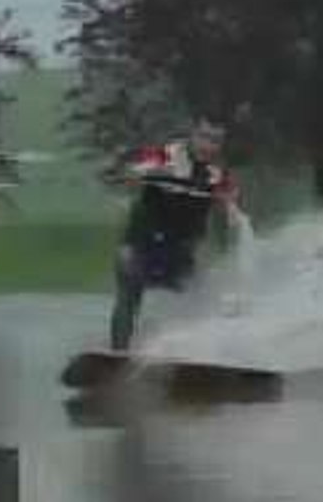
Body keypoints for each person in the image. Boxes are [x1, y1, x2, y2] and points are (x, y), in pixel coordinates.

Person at [105, 117, 245, 351]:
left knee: (201, 296)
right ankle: (118, 352)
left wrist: (230, 205)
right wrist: (129, 174)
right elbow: (122, 170)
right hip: (141, 244)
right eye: (203, 137)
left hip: (180, 252)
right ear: (192, 136)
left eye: (215, 141)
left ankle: (191, 352)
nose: (208, 146)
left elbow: (232, 201)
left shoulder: (217, 174)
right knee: (129, 277)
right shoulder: (164, 156)